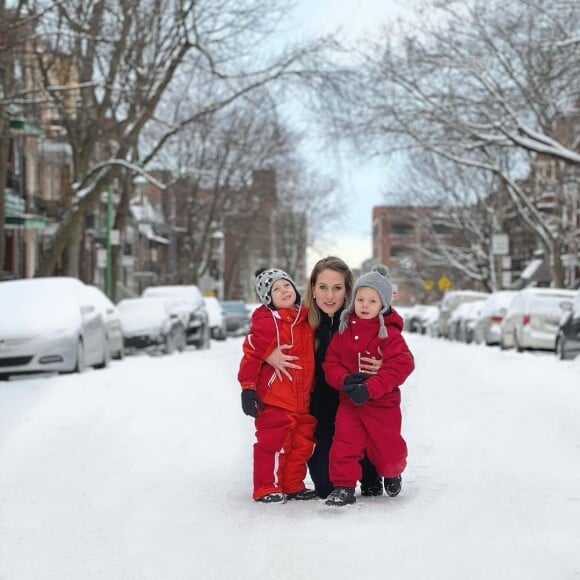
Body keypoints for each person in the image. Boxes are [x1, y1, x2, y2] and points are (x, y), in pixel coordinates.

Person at [267, 257, 384, 499]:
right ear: (312, 288)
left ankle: (374, 467)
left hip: (356, 408)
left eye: (337, 288)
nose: (329, 295)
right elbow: (260, 329)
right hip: (319, 411)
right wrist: (268, 353)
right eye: (323, 287)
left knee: (368, 475)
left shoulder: (361, 320)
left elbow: (399, 347)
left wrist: (384, 361)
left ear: (348, 290)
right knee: (325, 487)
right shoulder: (298, 322)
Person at [322, 265, 414, 506]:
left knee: (387, 447)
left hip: (382, 404)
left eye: (372, 301)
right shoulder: (344, 330)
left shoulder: (389, 334)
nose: (364, 305)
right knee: (344, 443)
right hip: (350, 402)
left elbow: (402, 365)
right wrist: (344, 380)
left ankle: (392, 472)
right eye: (360, 299)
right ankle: (343, 486)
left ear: (382, 304)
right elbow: (330, 363)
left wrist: (371, 388)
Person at [238, 268, 317, 504]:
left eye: (287, 286)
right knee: (272, 444)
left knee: (300, 445)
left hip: (302, 399)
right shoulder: (268, 322)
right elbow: (251, 353)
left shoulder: (305, 319)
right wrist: (248, 387)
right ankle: (265, 486)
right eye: (276, 289)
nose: (284, 291)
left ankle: (292, 485)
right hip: (274, 398)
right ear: (267, 299)